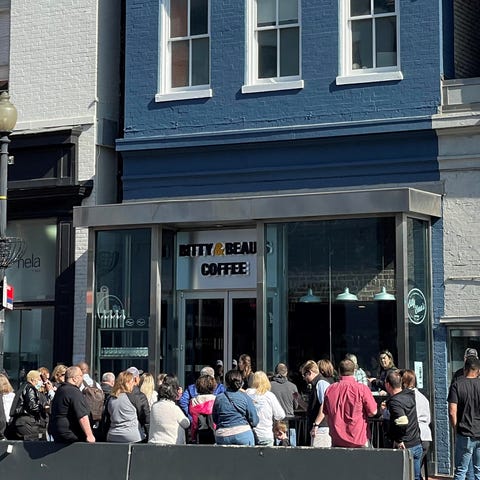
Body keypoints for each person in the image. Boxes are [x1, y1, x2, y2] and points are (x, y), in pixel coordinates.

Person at [323, 359, 377, 448]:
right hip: (358, 439)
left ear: (339, 371)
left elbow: (326, 413)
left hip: (337, 440)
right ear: (354, 371)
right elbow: (373, 412)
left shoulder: (330, 389)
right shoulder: (362, 389)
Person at [384, 370, 422, 480]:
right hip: (416, 442)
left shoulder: (395, 402)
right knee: (416, 477)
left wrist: (399, 440)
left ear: (388, 385)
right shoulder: (410, 394)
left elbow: (402, 421)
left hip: (405, 446)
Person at [448, 356, 480, 480]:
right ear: (478, 370)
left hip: (464, 432)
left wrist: (456, 428)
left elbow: (452, 411)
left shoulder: (457, 385)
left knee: (461, 470)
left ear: (464, 369)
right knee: (479, 471)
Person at [48, 366, 96, 443]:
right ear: (74, 378)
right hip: (71, 434)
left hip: (57, 433)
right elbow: (82, 416)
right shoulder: (74, 391)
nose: (82, 378)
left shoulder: (60, 390)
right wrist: (90, 435)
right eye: (81, 376)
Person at [212, 369, 259, 446]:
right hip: (243, 434)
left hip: (223, 435)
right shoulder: (245, 397)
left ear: (226, 383)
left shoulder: (219, 398)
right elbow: (254, 421)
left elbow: (215, 419)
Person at [401, 369, 432, 480]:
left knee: (411, 473)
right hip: (426, 436)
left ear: (403, 382)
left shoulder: (405, 398)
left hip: (414, 437)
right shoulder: (423, 398)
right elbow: (428, 419)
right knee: (416, 471)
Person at [8, 369, 51, 440]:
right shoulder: (30, 388)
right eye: (39, 379)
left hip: (22, 421)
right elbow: (33, 406)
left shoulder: (23, 387)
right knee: (36, 438)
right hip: (27, 422)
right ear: (32, 379)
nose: (41, 382)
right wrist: (44, 408)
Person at [246, 370, 285, 446]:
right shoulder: (270, 395)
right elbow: (280, 415)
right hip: (265, 434)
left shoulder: (248, 393)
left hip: (250, 434)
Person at [149, 377, 190, 444]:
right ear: (172, 394)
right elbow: (186, 424)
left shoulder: (154, 406)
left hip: (154, 441)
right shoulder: (174, 408)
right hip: (172, 443)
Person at [301, 359, 332, 447]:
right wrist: (299, 400)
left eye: (304, 375)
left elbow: (324, 404)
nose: (303, 378)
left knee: (319, 457)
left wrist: (316, 424)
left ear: (310, 372)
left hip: (321, 428)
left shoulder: (321, 383)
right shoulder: (317, 384)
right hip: (319, 428)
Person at [106, 370, 142, 443]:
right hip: (132, 436)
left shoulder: (110, 398)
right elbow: (141, 415)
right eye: (132, 382)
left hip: (113, 435)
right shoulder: (133, 397)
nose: (133, 385)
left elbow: (107, 418)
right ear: (127, 383)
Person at [189, 374, 217, 444]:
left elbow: (194, 421)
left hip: (198, 434)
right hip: (215, 433)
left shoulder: (193, 401)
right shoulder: (216, 400)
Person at [126, 366, 150, 439]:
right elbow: (146, 418)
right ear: (136, 379)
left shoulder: (116, 395)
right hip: (135, 434)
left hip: (114, 434)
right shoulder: (140, 396)